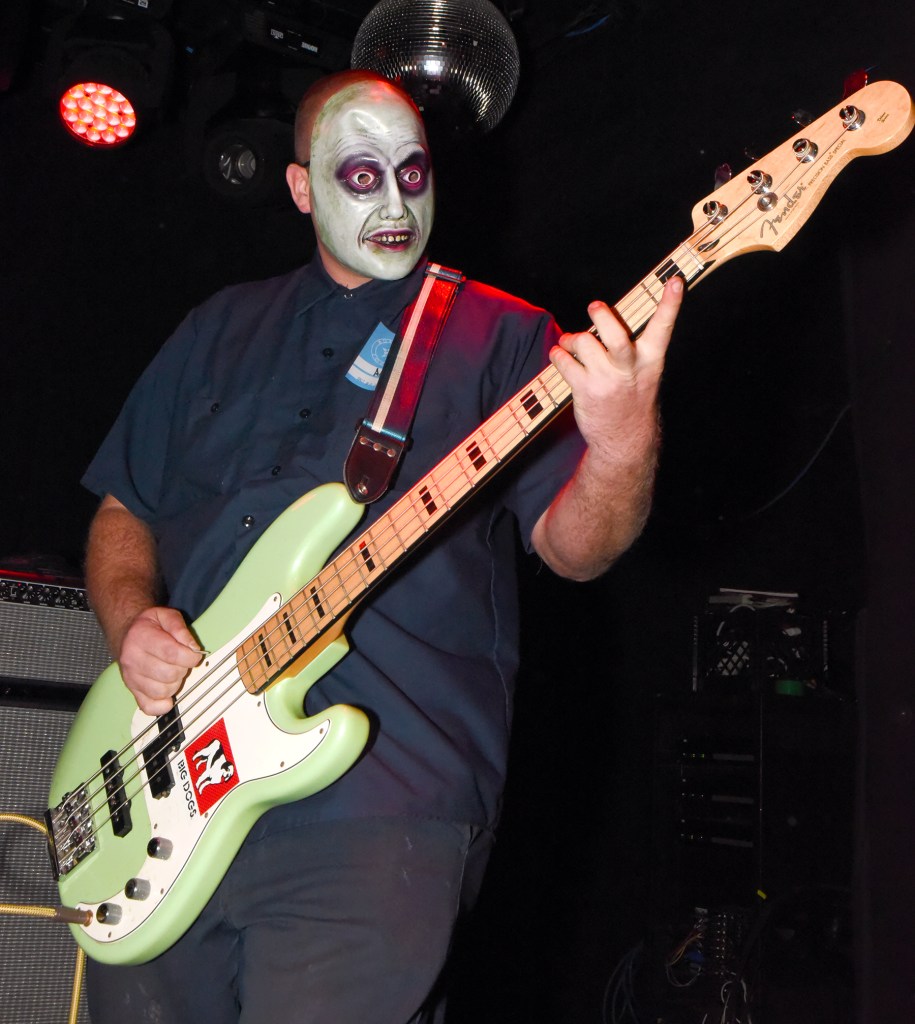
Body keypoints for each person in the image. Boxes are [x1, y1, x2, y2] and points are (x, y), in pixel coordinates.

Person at [81, 69, 682, 1023]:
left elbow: (578, 549)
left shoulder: (504, 336)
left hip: (378, 803)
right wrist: (130, 623)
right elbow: (124, 513)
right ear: (299, 187)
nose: (396, 203)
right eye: (360, 176)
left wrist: (620, 441)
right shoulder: (216, 328)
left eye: (412, 171)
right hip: (164, 794)